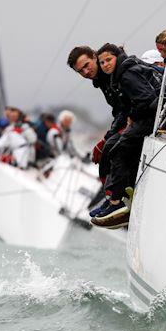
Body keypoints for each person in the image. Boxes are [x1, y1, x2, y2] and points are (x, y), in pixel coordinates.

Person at [88, 43, 166, 228]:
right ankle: (116, 199)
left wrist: (132, 117)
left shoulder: (126, 74)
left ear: (117, 57)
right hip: (148, 116)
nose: (106, 64)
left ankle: (117, 202)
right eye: (103, 62)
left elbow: (147, 100)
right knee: (113, 148)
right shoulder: (119, 74)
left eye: (109, 60)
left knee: (119, 149)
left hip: (153, 118)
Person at [66, 45, 128, 214]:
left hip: (139, 118)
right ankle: (113, 200)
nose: (86, 72)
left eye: (86, 65)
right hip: (127, 119)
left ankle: (117, 201)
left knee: (110, 150)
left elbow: (126, 107)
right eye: (80, 71)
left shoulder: (114, 72)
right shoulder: (101, 79)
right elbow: (118, 110)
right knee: (105, 152)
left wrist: (108, 137)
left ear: (94, 57)